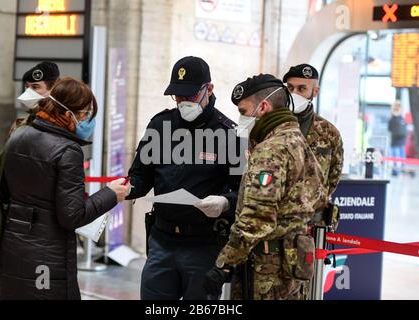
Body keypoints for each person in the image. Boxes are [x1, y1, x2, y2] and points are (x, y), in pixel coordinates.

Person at [0, 77, 130, 300]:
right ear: (68, 114)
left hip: (12, 251)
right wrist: (110, 194)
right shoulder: (68, 151)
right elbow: (72, 215)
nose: (88, 120)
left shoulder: (18, 136)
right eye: (86, 113)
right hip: (48, 260)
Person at [125, 56, 242, 300]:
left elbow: (242, 191)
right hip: (161, 242)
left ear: (208, 89)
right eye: (178, 96)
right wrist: (126, 188)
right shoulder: (160, 125)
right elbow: (140, 176)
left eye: (189, 96)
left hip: (204, 245)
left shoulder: (229, 134)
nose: (182, 102)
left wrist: (225, 202)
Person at [203, 74, 325, 300]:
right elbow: (319, 196)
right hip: (291, 261)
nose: (242, 119)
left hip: (267, 269)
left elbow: (258, 216)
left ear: (263, 107)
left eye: (243, 111)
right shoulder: (296, 140)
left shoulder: (271, 150)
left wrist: (225, 263)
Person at [283, 64, 343, 229]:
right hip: (276, 222)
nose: (294, 93)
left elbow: (333, 177)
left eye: (302, 88)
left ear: (315, 92)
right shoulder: (271, 126)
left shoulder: (329, 133)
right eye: (290, 88)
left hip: (311, 223)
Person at [10, 61, 61, 135]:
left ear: (53, 89)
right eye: (27, 86)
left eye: (35, 87)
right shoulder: (21, 123)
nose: (28, 92)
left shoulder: (61, 122)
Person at [388, 100, 407, 176]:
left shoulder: (392, 119)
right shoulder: (401, 118)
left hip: (395, 141)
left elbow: (389, 129)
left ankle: (396, 171)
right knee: (402, 155)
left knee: (396, 156)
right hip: (402, 140)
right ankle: (403, 169)